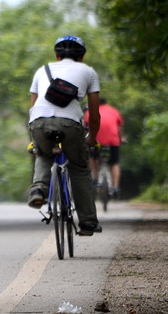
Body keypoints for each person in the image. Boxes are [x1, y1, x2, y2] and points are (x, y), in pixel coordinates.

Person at [26, 35, 102, 236]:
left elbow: (33, 108)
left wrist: (34, 141)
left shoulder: (42, 70)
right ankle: (87, 222)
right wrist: (92, 140)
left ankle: (38, 190)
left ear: (56, 56)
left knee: (42, 153)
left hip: (39, 122)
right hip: (70, 124)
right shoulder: (89, 72)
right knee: (78, 167)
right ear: (82, 56)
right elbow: (94, 115)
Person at [84, 98, 124, 197]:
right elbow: (119, 128)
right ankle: (115, 187)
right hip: (113, 141)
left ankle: (95, 178)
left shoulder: (90, 112)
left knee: (93, 158)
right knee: (114, 163)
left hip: (96, 141)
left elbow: (86, 129)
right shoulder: (114, 111)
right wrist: (121, 139)